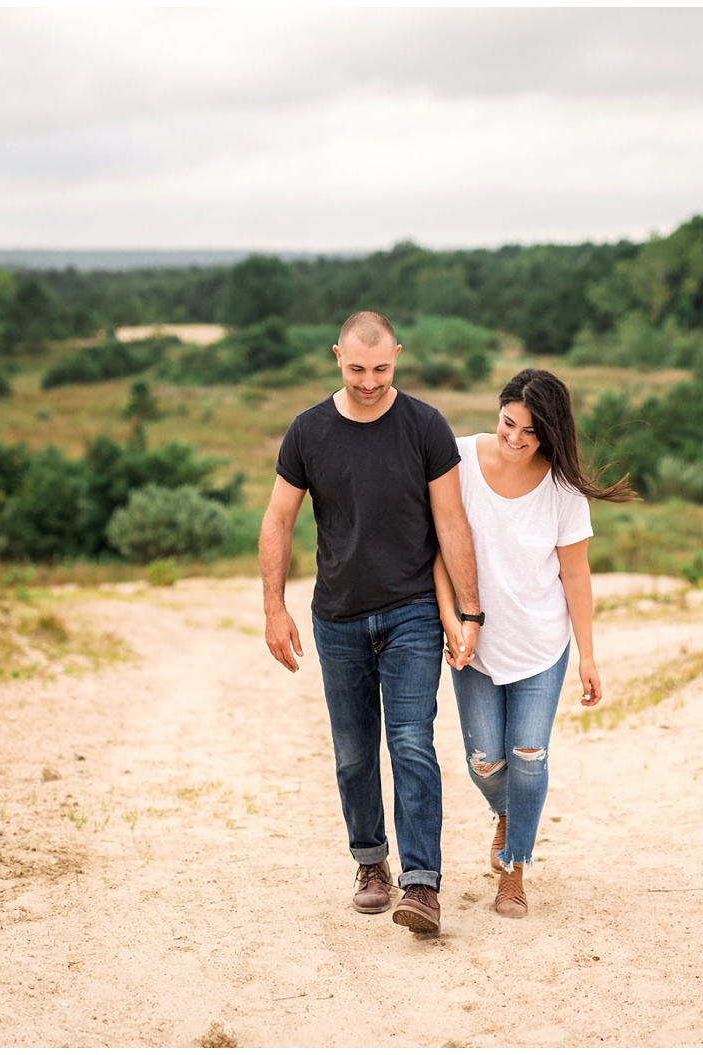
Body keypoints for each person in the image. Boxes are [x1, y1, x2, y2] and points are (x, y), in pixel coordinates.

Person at [259, 310, 481, 935]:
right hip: (337, 619)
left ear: (398, 356)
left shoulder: (424, 426)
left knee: (411, 742)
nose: (368, 380)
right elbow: (277, 521)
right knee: (355, 754)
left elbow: (452, 522)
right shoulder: (308, 432)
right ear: (336, 357)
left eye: (381, 368)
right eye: (357, 368)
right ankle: (371, 864)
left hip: (412, 610)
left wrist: (468, 611)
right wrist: (274, 607)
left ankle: (422, 885)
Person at [433, 367, 635, 917]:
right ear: (497, 413)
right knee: (484, 762)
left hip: (542, 644)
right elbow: (439, 547)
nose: (516, 439)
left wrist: (588, 655)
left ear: (550, 433)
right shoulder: (457, 459)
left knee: (528, 756)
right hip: (473, 641)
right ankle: (509, 816)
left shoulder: (564, 491)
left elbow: (576, 575)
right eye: (508, 423)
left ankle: (514, 871)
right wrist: (451, 619)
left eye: (531, 431)